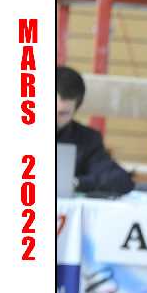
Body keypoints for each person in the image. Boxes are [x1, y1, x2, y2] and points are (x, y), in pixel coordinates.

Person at [56, 66, 135, 196]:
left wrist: (75, 183)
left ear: (75, 110)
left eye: (62, 113)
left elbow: (119, 179)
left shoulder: (87, 140)